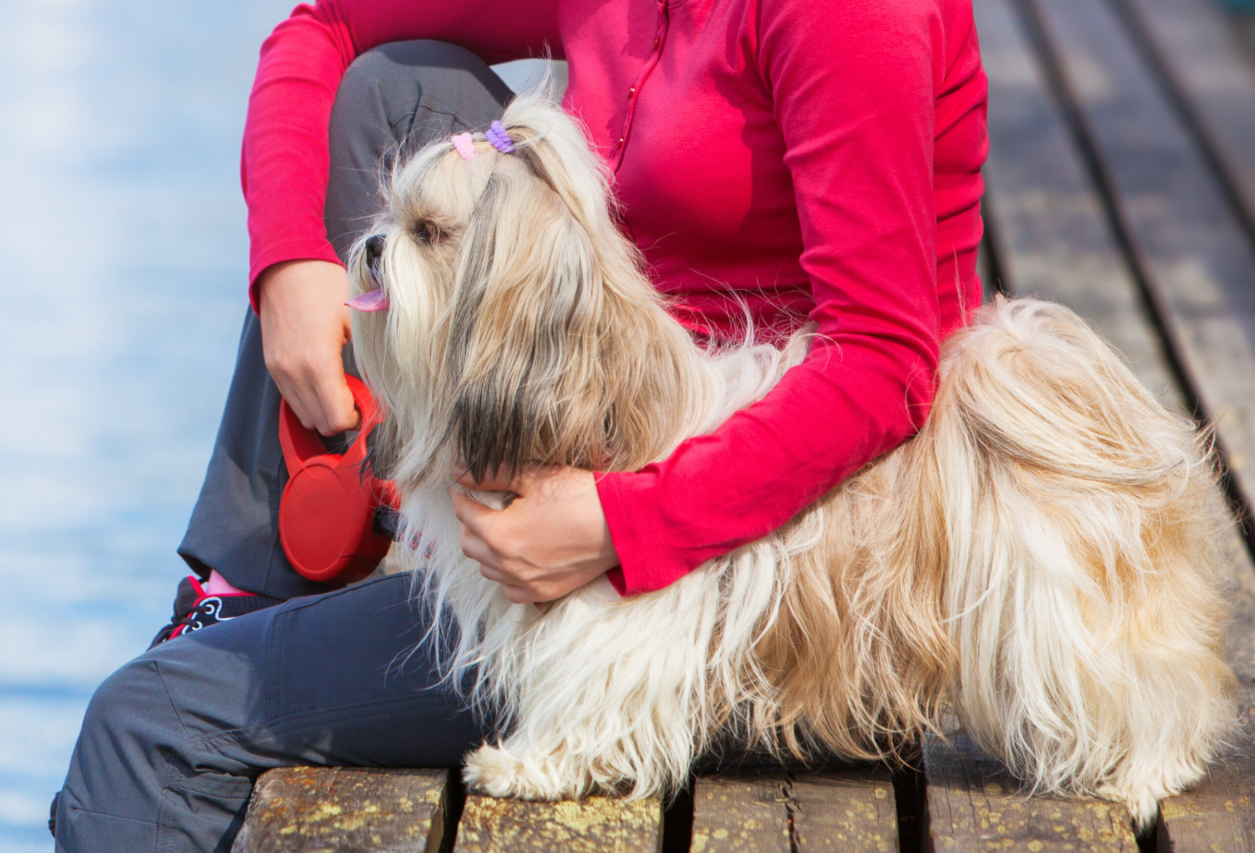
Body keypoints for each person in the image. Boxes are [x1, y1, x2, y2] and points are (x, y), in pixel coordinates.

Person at [53, 0, 986, 849]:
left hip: (746, 598)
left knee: (149, 724)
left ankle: (236, 645)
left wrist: (615, 526)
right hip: (584, 434)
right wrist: (290, 260)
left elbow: (885, 366)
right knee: (398, 84)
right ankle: (246, 594)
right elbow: (323, 24)